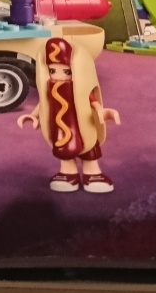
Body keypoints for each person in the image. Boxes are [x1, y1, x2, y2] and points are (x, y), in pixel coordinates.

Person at [18, 37, 120, 193]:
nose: (58, 76)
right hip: (59, 128)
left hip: (83, 126)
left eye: (66, 71)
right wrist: (33, 116)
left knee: (89, 148)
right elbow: (44, 103)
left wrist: (101, 112)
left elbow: (93, 101)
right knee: (62, 149)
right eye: (52, 71)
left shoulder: (81, 88)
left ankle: (93, 174)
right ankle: (68, 173)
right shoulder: (50, 88)